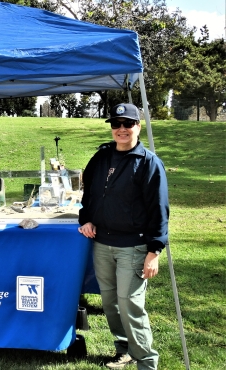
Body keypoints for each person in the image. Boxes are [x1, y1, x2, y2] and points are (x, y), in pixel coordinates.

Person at [78, 103, 169, 370]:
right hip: (102, 243)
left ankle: (147, 362)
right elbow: (89, 192)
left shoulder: (149, 163)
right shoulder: (101, 157)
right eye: (116, 124)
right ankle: (124, 349)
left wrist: (154, 251)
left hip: (134, 246)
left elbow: (159, 209)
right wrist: (87, 218)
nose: (121, 129)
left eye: (127, 124)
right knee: (109, 303)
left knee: (129, 305)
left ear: (138, 127)